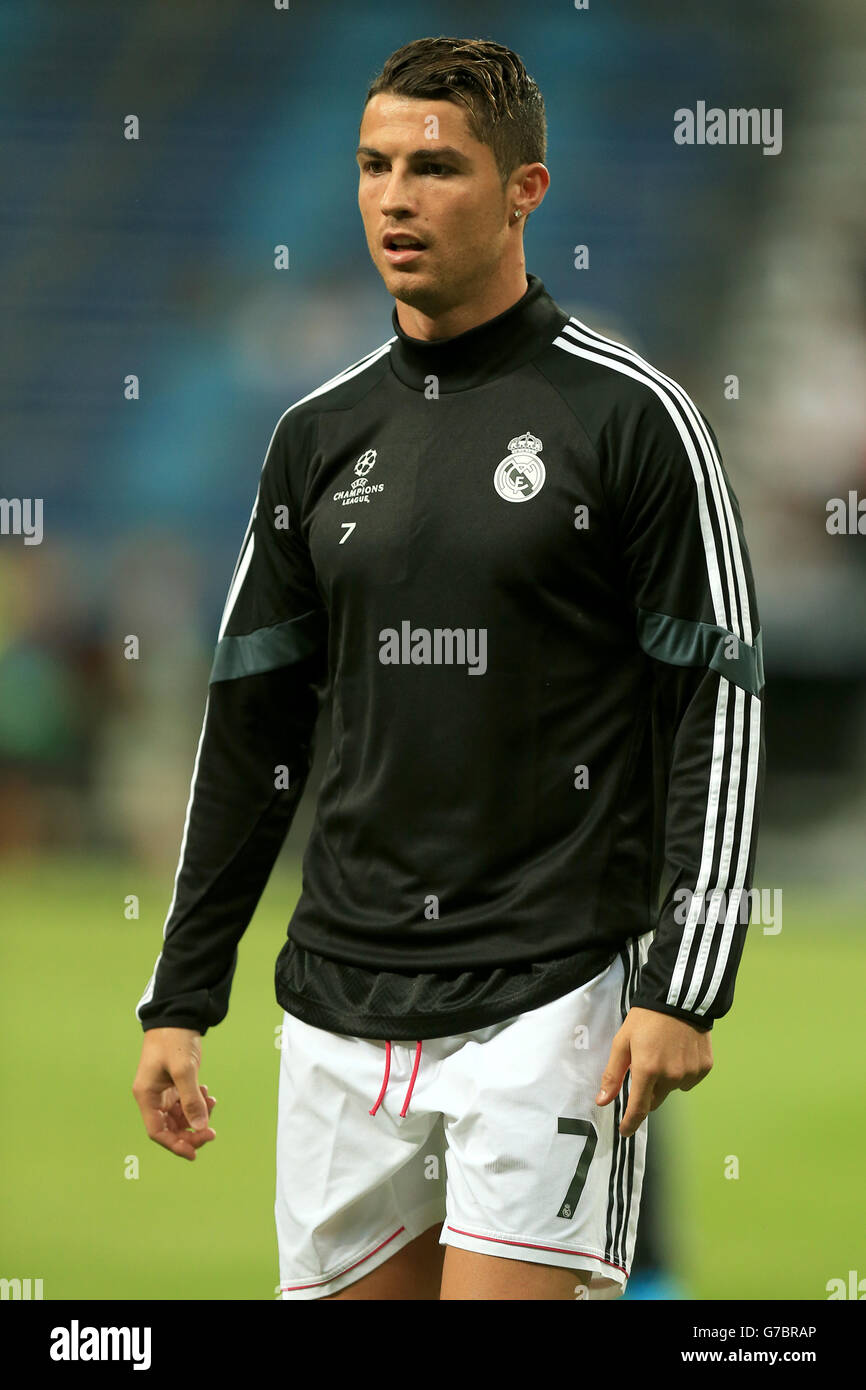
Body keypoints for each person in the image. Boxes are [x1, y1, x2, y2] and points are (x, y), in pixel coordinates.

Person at [132, 36, 765, 1302]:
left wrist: (685, 986)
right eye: (372, 166)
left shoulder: (632, 417)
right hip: (332, 1005)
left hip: (547, 1002)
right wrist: (179, 995)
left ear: (524, 190)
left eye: (435, 167)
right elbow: (253, 728)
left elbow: (716, 698)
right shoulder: (314, 437)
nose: (394, 198)